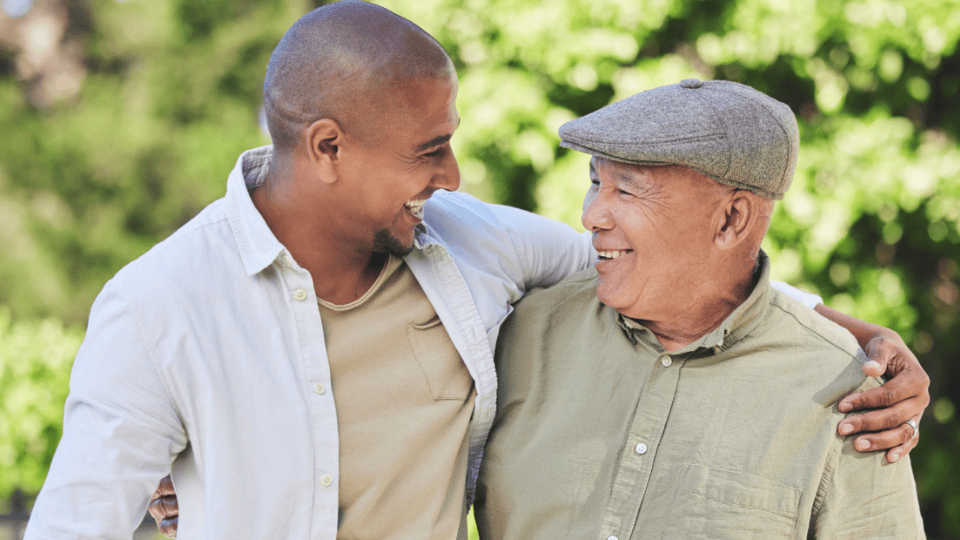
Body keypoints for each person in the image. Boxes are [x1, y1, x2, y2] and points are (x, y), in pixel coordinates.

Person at [27, 3, 926, 539]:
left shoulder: (472, 247)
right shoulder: (159, 307)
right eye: (430, 150)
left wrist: (860, 341)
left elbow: (670, 272)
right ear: (328, 147)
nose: (453, 177)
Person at [474, 79, 925, 539]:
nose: (592, 215)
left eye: (627, 191)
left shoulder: (846, 395)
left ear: (732, 220)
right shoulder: (524, 332)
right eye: (595, 181)